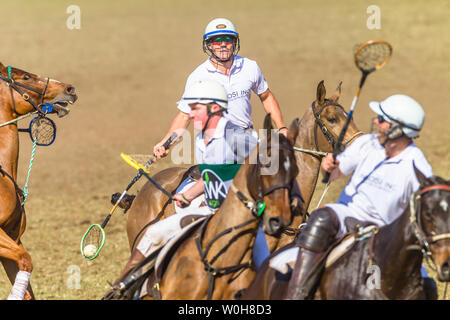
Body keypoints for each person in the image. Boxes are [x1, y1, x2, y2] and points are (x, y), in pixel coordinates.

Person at [111, 79, 269, 289]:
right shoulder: (202, 138)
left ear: (214, 108)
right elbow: (211, 175)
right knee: (152, 235)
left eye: (195, 108)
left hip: (241, 217)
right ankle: (122, 290)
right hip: (211, 215)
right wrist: (190, 194)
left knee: (267, 275)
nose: (190, 114)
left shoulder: (235, 136)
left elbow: (266, 162)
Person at [285, 94, 433, 299]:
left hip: (385, 231)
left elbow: (429, 207)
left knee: (427, 287)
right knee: (321, 217)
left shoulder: (417, 164)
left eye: (381, 119)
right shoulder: (368, 143)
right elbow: (335, 173)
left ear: (398, 129)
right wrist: (329, 167)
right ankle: (297, 293)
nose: (375, 122)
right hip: (348, 215)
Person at [153, 17, 288, 159]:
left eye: (227, 39)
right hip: (216, 145)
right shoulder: (198, 77)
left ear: (234, 42)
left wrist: (281, 127)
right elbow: (185, 115)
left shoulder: (250, 67)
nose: (223, 44)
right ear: (209, 45)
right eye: (217, 40)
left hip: (247, 138)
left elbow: (266, 96)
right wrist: (165, 142)